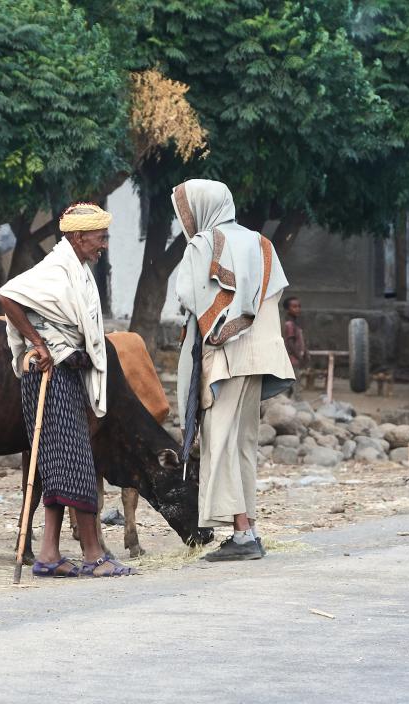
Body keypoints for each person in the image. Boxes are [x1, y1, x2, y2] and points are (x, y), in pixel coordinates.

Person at [0, 202, 134, 578]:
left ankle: (48, 555)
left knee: (59, 467)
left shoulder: (79, 270)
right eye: (100, 238)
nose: (103, 245)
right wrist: (38, 343)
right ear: (78, 237)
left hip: (65, 373)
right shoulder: (55, 268)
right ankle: (94, 555)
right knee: (75, 465)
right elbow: (6, 296)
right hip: (48, 376)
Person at [172, 180, 295, 561]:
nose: (185, 218)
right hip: (260, 357)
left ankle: (242, 536)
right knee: (242, 442)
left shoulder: (204, 244)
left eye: (187, 210)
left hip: (225, 358)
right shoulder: (263, 243)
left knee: (220, 442)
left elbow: (187, 295)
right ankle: (250, 529)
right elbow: (272, 295)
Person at [282, 296, 311, 397]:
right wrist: (299, 356)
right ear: (287, 309)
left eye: (299, 306)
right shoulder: (289, 324)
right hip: (292, 360)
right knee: (295, 384)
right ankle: (294, 404)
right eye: (294, 307)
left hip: (295, 359)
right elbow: (290, 343)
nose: (297, 309)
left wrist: (305, 353)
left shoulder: (296, 324)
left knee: (291, 384)